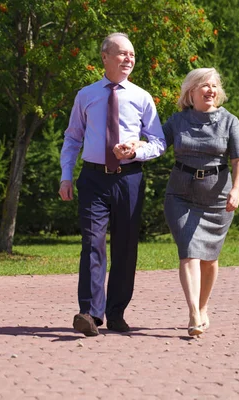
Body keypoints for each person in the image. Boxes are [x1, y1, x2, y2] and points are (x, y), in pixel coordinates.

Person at [59, 32, 166, 337]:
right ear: (104, 57)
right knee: (92, 243)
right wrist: (66, 174)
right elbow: (72, 138)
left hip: (129, 178)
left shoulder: (142, 97)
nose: (128, 59)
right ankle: (90, 314)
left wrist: (136, 150)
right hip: (92, 178)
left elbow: (158, 142)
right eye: (121, 53)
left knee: (125, 246)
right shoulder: (86, 95)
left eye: (131, 54)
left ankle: (117, 313)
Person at [162, 67, 239, 337]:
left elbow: (238, 160)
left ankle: (203, 306)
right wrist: (134, 147)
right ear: (191, 91)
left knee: (209, 259)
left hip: (217, 198)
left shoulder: (229, 121)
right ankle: (193, 314)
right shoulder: (177, 121)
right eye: (204, 86)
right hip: (180, 195)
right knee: (188, 249)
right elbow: (155, 145)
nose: (210, 90)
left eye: (214, 86)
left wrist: (236, 190)